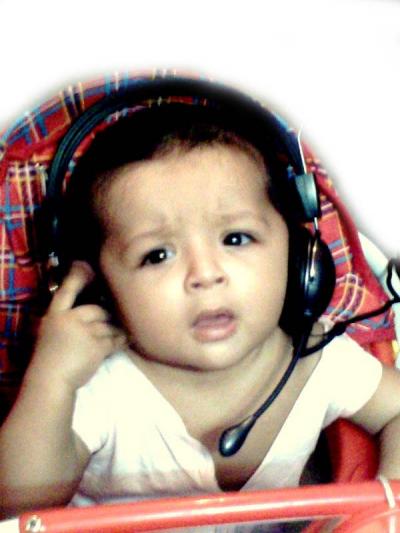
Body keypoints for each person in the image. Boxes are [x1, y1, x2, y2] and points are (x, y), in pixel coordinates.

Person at [0, 89, 400, 527]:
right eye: (157, 255)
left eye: (236, 238)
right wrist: (51, 380)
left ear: (300, 256)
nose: (205, 274)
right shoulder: (98, 387)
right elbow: (16, 507)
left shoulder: (316, 361)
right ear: (100, 289)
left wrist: (381, 511)